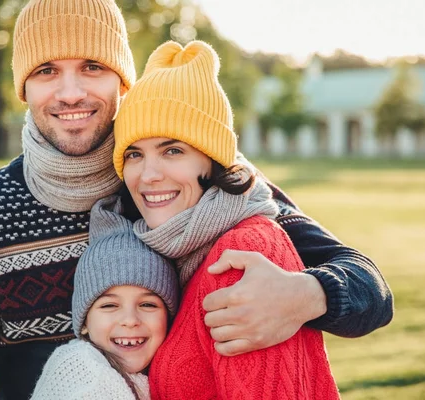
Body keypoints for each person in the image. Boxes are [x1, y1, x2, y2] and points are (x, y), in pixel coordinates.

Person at [0, 0, 392, 398]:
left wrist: (310, 294)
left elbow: (370, 289)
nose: (70, 92)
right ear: (23, 87)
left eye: (92, 66)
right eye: (47, 70)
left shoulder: (182, 185)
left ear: (122, 81)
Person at [114, 40, 340, 399]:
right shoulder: (166, 249)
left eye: (173, 150)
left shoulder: (242, 254)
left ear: (213, 160)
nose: (148, 175)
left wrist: (318, 292)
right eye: (134, 154)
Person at [31, 195, 179, 400]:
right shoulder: (82, 370)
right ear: (84, 322)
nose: (129, 320)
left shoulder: (153, 375)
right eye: (109, 305)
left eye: (147, 304)